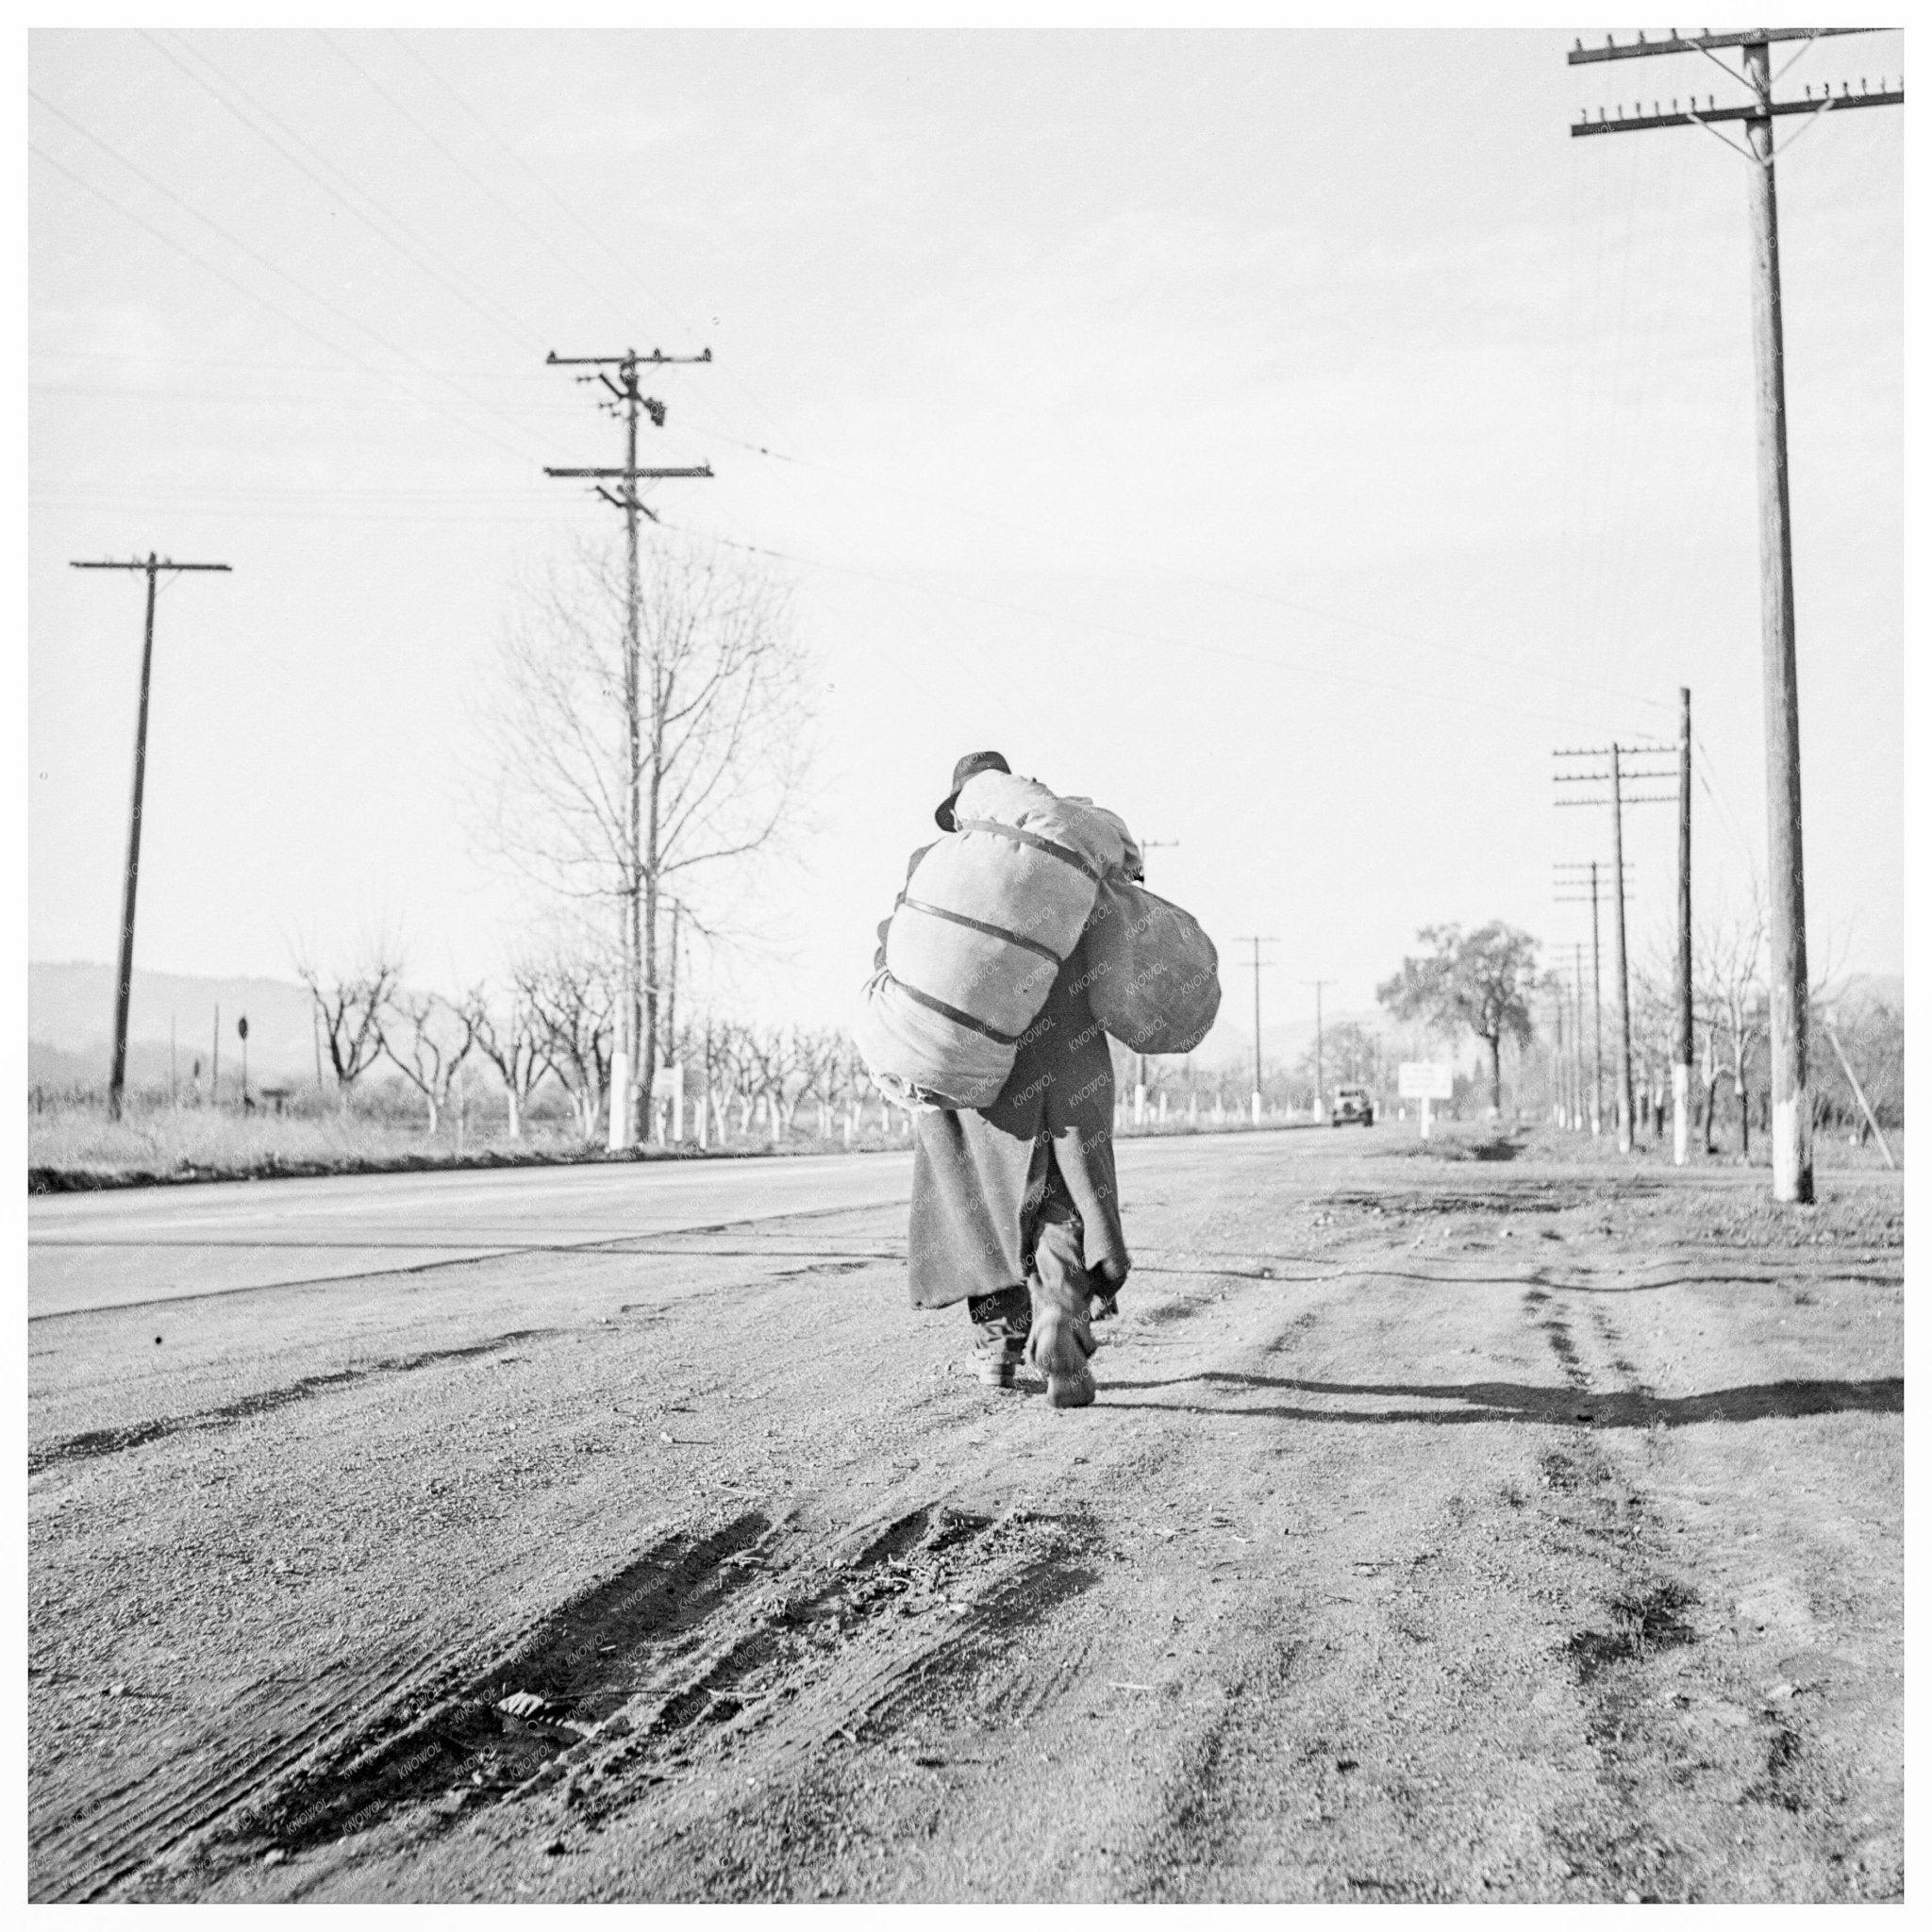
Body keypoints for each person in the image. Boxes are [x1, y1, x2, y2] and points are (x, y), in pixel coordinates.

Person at [876, 751, 1131, 1407]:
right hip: (1065, 1062)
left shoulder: (935, 871)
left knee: (980, 1210)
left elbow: (896, 956)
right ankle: (1060, 1315)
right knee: (1057, 1204)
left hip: (976, 1077)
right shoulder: (1072, 864)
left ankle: (998, 1350)